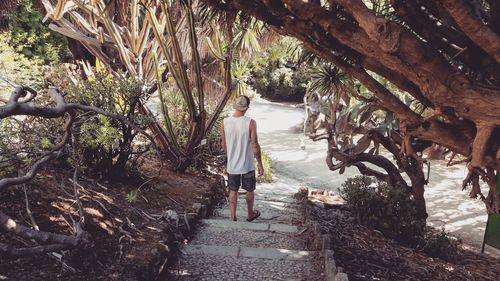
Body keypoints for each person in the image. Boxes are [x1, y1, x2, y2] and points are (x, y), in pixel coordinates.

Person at [221, 95, 263, 222]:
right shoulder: (250, 122)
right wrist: (260, 163)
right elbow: (254, 144)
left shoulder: (224, 122)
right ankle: (250, 214)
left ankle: (233, 216)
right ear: (246, 108)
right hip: (247, 164)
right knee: (249, 189)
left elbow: (224, 145)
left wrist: (231, 157)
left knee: (232, 189)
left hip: (232, 164)